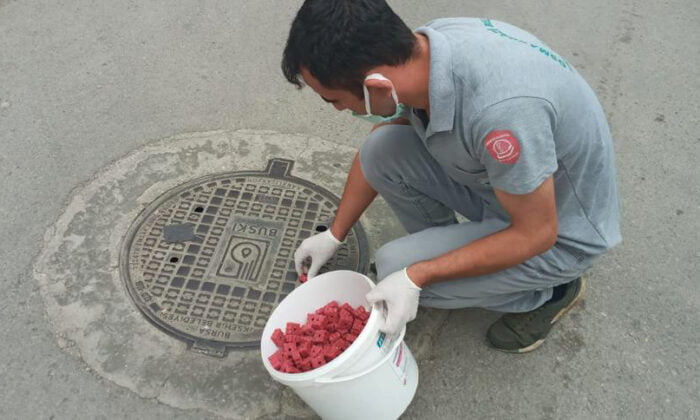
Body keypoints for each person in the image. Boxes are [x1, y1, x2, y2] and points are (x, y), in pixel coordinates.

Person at [283, 0, 621, 353]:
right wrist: (335, 234)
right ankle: (457, 254)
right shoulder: (427, 48)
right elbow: (383, 143)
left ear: (377, 86)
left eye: (332, 100)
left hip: (557, 231)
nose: (338, 109)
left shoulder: (501, 117)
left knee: (393, 268)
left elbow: (537, 233)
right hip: (512, 188)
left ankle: (549, 294)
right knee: (381, 150)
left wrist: (417, 276)